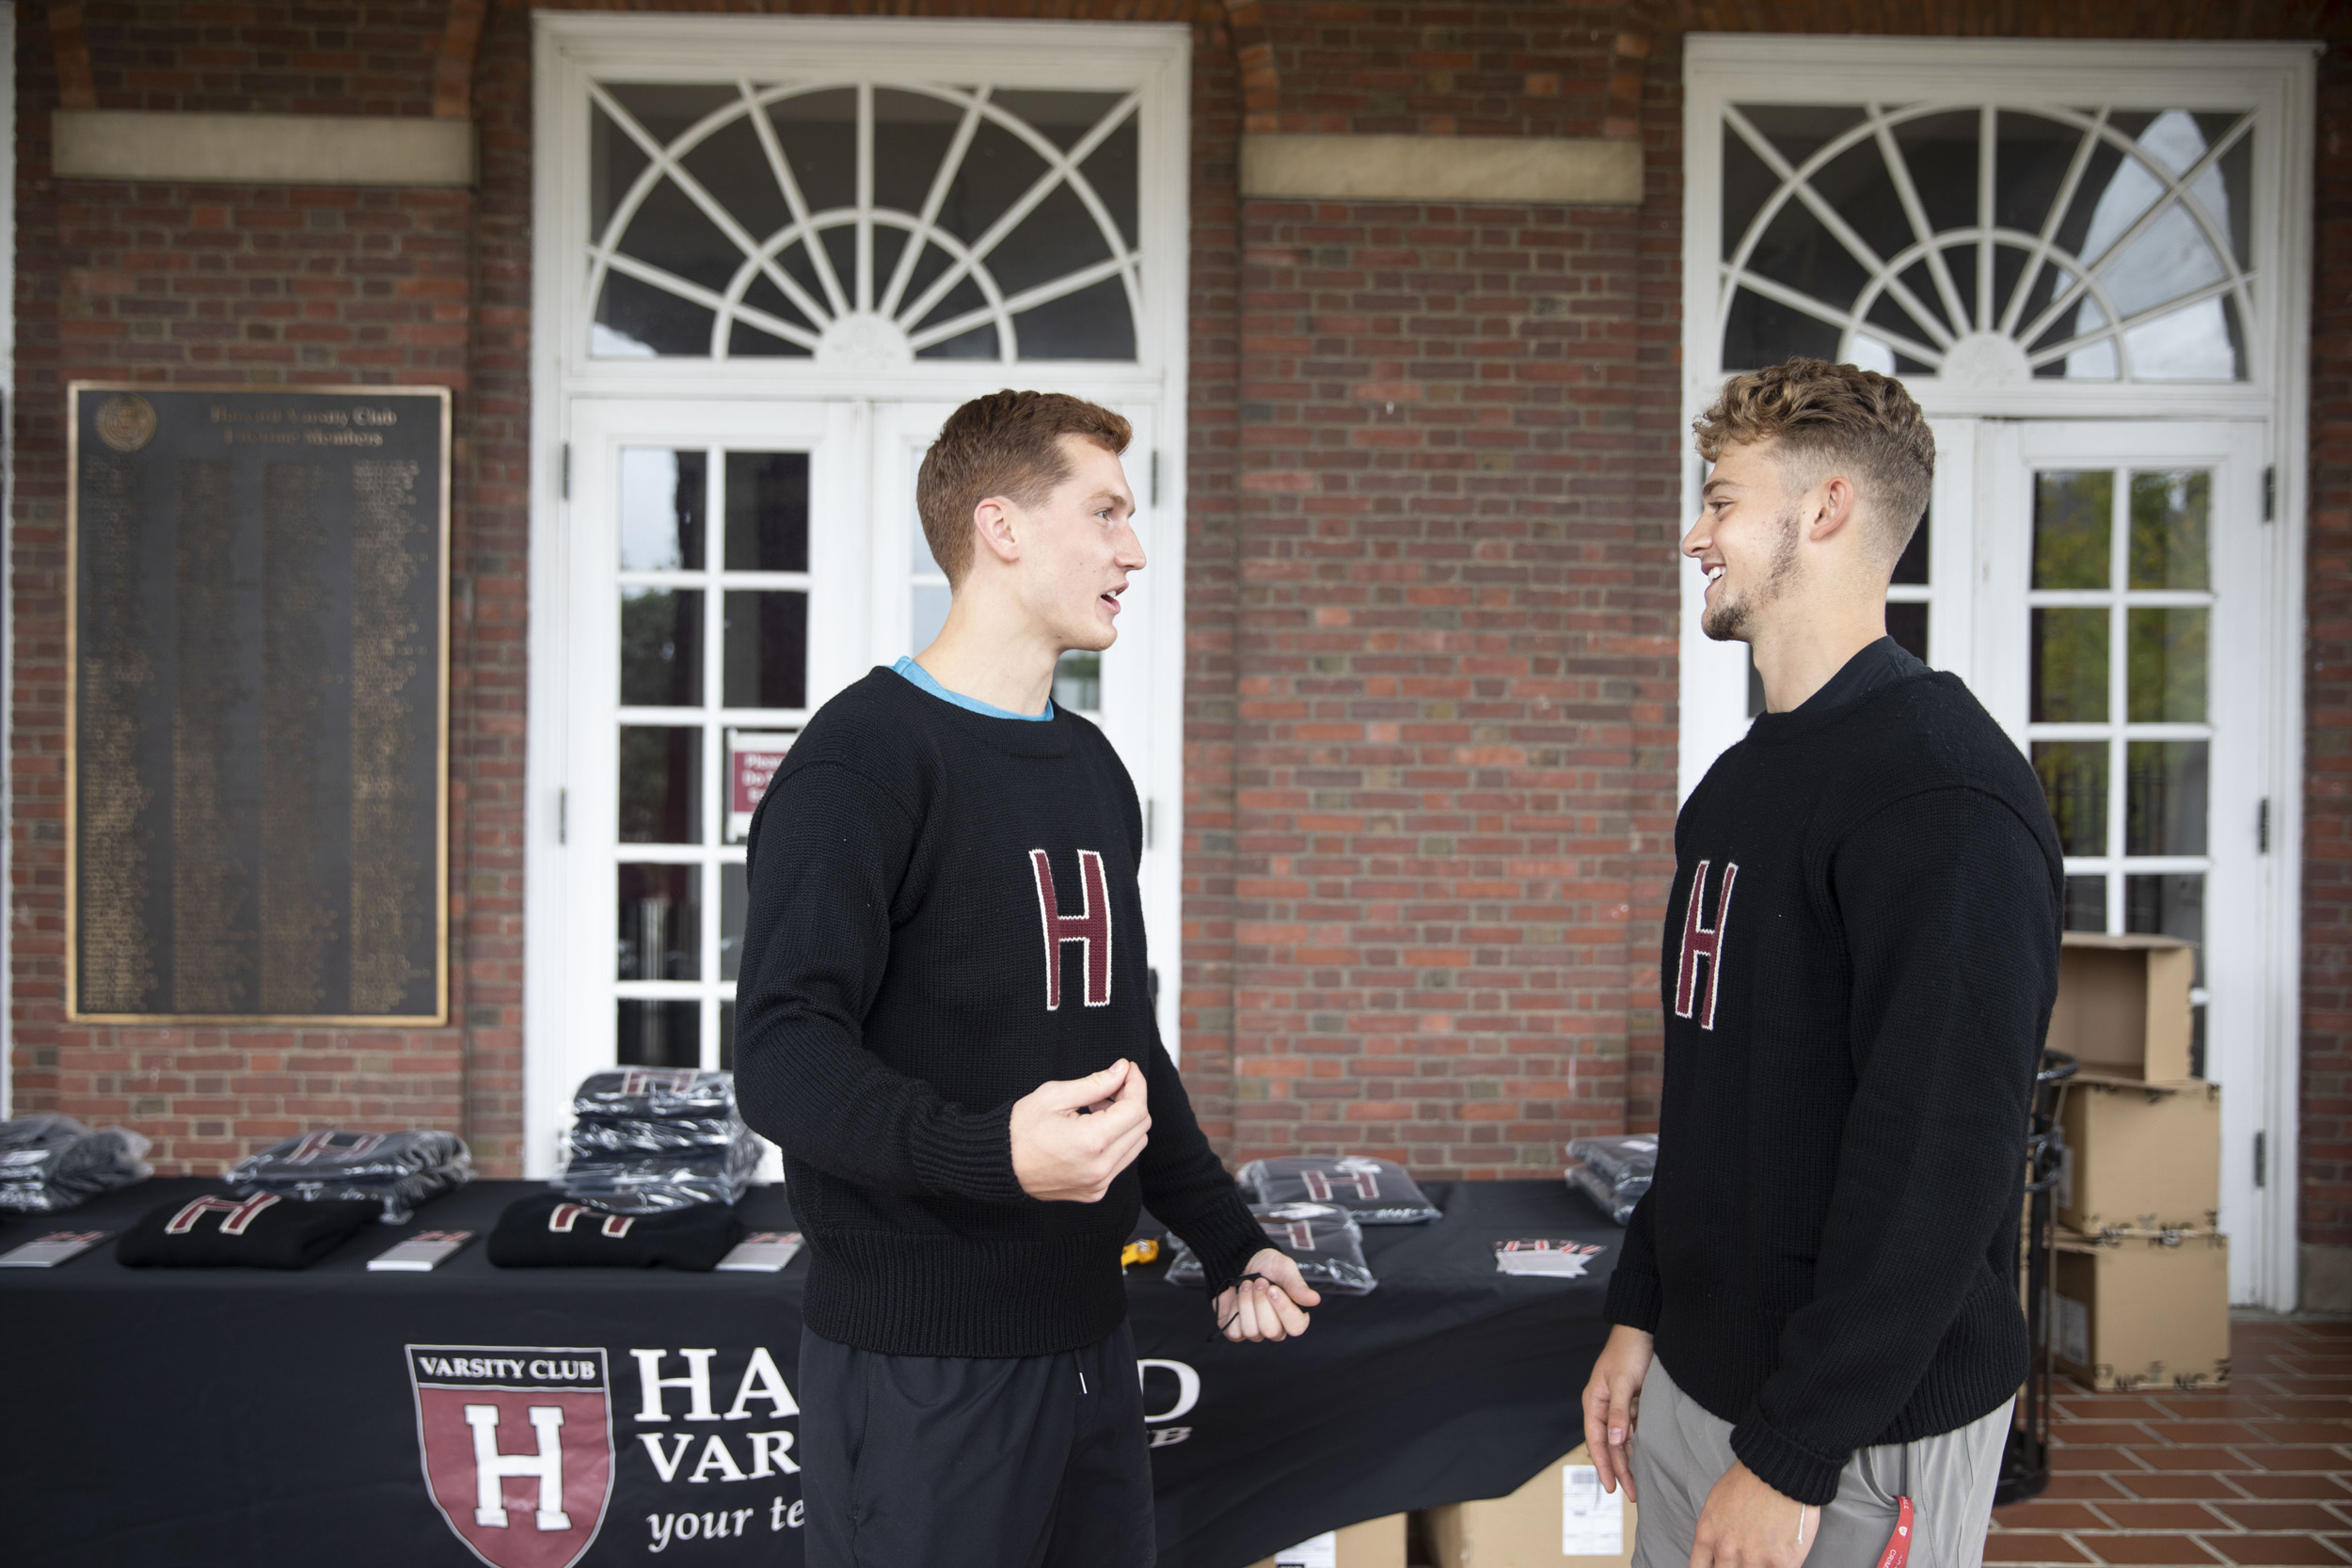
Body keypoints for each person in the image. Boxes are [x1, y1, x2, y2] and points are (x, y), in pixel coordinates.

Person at [734, 389, 1320, 1568]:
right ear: (999, 526)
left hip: (1088, 1345)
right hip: (919, 1370)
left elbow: (1125, 1045)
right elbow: (782, 1058)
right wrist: (989, 1149)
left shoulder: (1091, 766)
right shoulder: (861, 760)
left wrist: (1229, 1236)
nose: (1133, 548)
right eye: (1104, 511)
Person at [1581, 359, 2064, 1568]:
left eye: (1722, 498)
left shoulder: (1941, 793)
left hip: (1852, 1433)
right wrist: (1641, 1306)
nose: (1695, 533)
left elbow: (1939, 1164)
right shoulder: (1739, 786)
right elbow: (1711, 1096)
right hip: (1707, 1386)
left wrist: (1795, 1446)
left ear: (1828, 506)